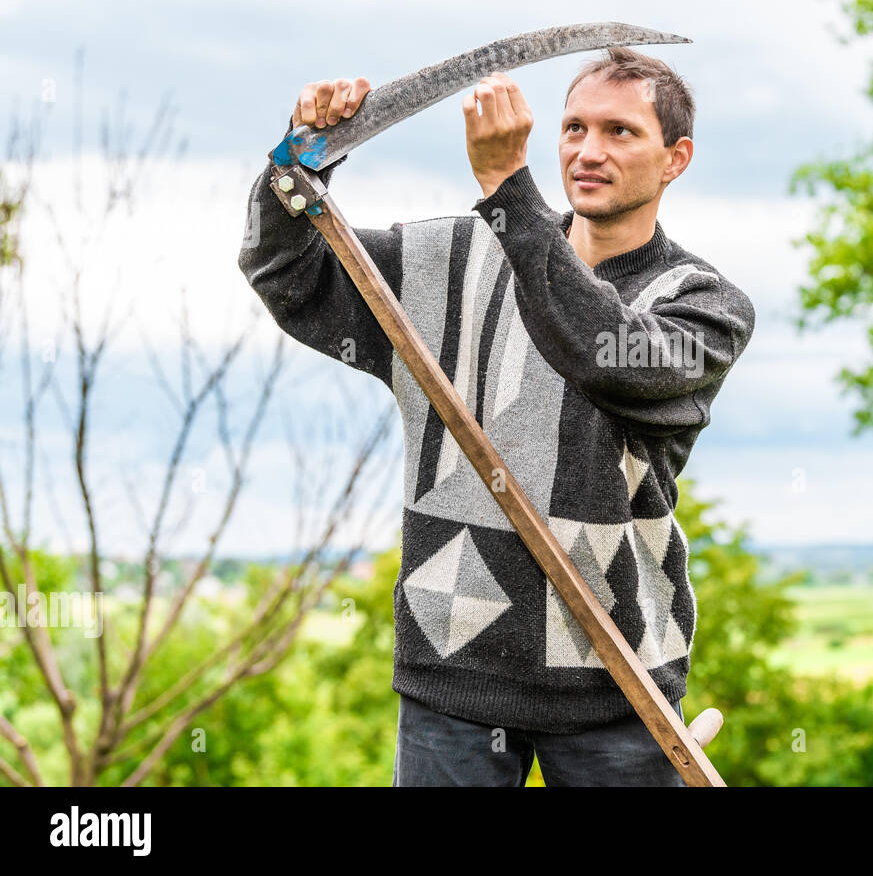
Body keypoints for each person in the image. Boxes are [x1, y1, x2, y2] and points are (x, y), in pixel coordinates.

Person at [239, 47, 755, 786]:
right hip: (454, 666)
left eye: (620, 131)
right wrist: (297, 161)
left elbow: (602, 353)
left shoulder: (703, 303)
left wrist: (509, 192)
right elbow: (286, 272)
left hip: (618, 681)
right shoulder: (453, 257)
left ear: (676, 158)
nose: (589, 150)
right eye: (574, 127)